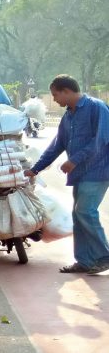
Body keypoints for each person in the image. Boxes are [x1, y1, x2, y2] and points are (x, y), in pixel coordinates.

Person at [24, 74, 109, 275]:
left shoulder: (97, 108)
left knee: (85, 212)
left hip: (98, 171)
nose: (54, 100)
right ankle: (85, 261)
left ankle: (104, 256)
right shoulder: (68, 115)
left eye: (55, 95)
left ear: (67, 91)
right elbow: (57, 145)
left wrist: (74, 159)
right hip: (80, 174)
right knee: (78, 215)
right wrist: (35, 169)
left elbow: (100, 140)